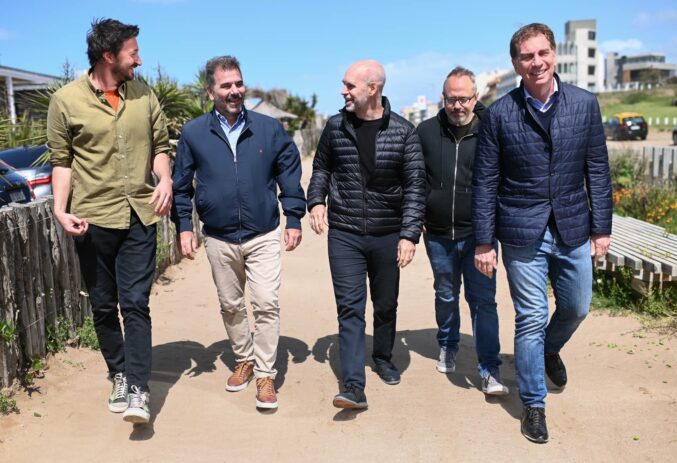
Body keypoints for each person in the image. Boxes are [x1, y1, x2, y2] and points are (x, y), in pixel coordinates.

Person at [472, 23, 612, 443]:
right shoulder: (499, 114)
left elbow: (598, 170)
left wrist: (601, 228)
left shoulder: (584, 104)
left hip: (573, 226)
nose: (536, 62)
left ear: (554, 54)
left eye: (542, 53)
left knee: (577, 307)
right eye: (526, 56)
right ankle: (534, 404)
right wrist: (484, 241)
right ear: (516, 64)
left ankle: (550, 348)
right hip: (521, 230)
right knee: (530, 316)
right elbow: (485, 182)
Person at [47, 18, 172, 424]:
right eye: (133, 53)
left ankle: (138, 389)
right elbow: (62, 161)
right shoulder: (65, 101)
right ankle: (118, 372)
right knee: (103, 305)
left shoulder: (144, 95)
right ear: (108, 56)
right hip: (92, 218)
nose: (139, 60)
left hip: (139, 215)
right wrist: (59, 209)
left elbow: (160, 146)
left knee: (135, 302)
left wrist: (165, 178)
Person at [171, 56, 306, 411]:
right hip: (219, 236)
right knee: (231, 305)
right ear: (210, 91)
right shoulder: (193, 133)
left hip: (263, 233)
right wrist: (184, 227)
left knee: (266, 303)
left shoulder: (268, 129)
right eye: (226, 85)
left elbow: (289, 172)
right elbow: (181, 186)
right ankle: (244, 358)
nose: (235, 91)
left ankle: (265, 373)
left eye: (238, 83)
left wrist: (294, 216)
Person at [307, 60, 426, 409]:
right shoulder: (335, 127)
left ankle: (383, 356)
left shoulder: (404, 132)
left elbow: (416, 186)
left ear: (372, 88)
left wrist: (409, 235)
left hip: (388, 233)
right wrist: (316, 201)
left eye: (349, 85)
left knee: (386, 304)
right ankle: (353, 385)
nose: (343, 91)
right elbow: (321, 168)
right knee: (350, 308)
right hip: (345, 233)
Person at [417, 67, 508, 396]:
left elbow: (503, 178)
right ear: (443, 98)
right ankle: (448, 343)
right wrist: (419, 212)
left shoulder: (490, 130)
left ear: (475, 97)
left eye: (464, 99)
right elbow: (415, 178)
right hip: (438, 233)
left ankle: (490, 369)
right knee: (445, 294)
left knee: (483, 301)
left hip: (479, 236)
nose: (457, 106)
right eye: (451, 99)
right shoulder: (426, 132)